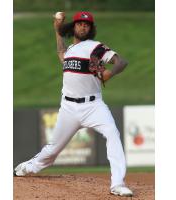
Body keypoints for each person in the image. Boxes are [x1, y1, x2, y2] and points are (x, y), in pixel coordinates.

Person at [14, 11, 133, 197]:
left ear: (91, 28)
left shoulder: (95, 47)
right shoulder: (70, 50)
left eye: (86, 24)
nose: (83, 26)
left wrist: (108, 73)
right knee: (52, 150)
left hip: (94, 106)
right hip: (69, 108)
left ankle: (117, 183)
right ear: (74, 26)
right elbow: (61, 53)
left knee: (112, 133)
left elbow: (121, 62)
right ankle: (27, 167)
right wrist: (57, 30)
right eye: (79, 23)